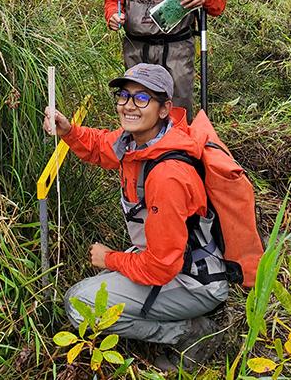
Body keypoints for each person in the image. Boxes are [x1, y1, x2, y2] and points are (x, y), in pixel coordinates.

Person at [43, 63, 228, 371]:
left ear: (165, 108)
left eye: (142, 99)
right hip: (172, 263)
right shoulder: (140, 142)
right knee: (97, 289)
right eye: (124, 96)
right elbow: (102, 147)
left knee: (80, 304)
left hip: (193, 281)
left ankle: (191, 334)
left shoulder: (167, 175)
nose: (129, 105)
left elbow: (160, 267)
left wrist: (110, 258)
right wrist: (68, 130)